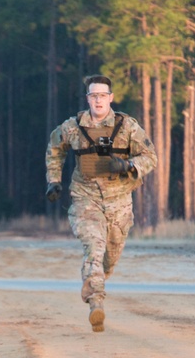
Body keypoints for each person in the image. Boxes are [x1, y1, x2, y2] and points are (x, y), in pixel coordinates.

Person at [45, 75, 158, 332]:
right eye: (93, 95)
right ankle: (96, 303)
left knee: (110, 257)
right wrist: (54, 181)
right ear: (88, 99)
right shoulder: (73, 126)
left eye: (102, 95)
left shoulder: (127, 126)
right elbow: (54, 148)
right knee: (94, 248)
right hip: (85, 199)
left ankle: (95, 281)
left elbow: (151, 156)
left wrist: (129, 165)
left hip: (119, 201)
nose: (98, 100)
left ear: (111, 97)